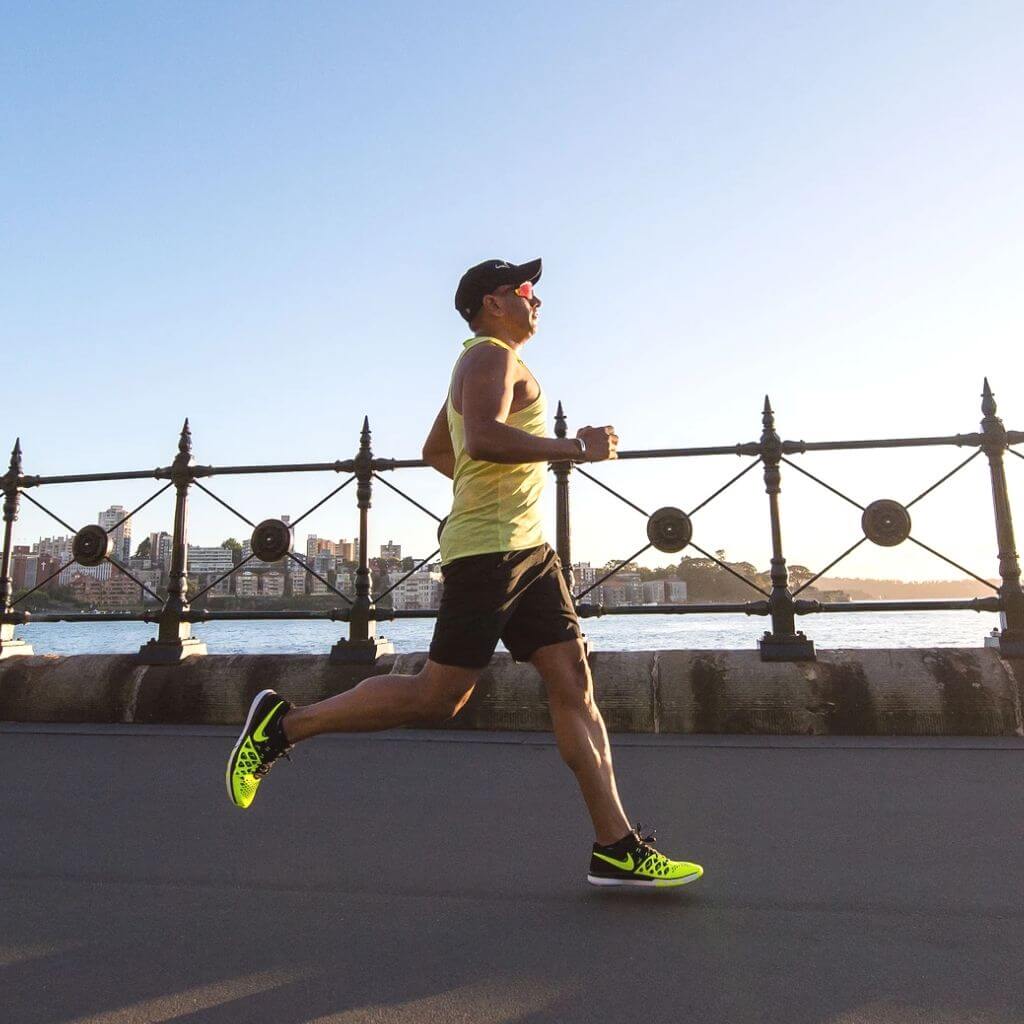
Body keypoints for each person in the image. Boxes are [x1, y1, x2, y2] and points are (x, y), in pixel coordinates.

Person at [226, 257, 703, 889]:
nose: (536, 300)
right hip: (490, 555)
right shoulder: (489, 357)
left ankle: (616, 845)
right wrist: (573, 449)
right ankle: (281, 726)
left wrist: (493, 493)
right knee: (438, 696)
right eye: (524, 289)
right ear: (490, 301)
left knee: (573, 680)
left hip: (529, 552)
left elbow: (438, 451)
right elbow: (479, 439)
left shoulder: (491, 360)